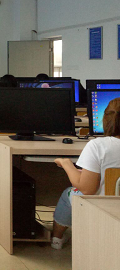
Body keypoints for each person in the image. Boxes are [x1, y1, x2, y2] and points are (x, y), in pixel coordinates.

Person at [51, 98, 120, 250]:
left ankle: (57, 239)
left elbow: (87, 189)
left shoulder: (98, 146)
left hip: (104, 208)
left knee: (68, 193)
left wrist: (66, 164)